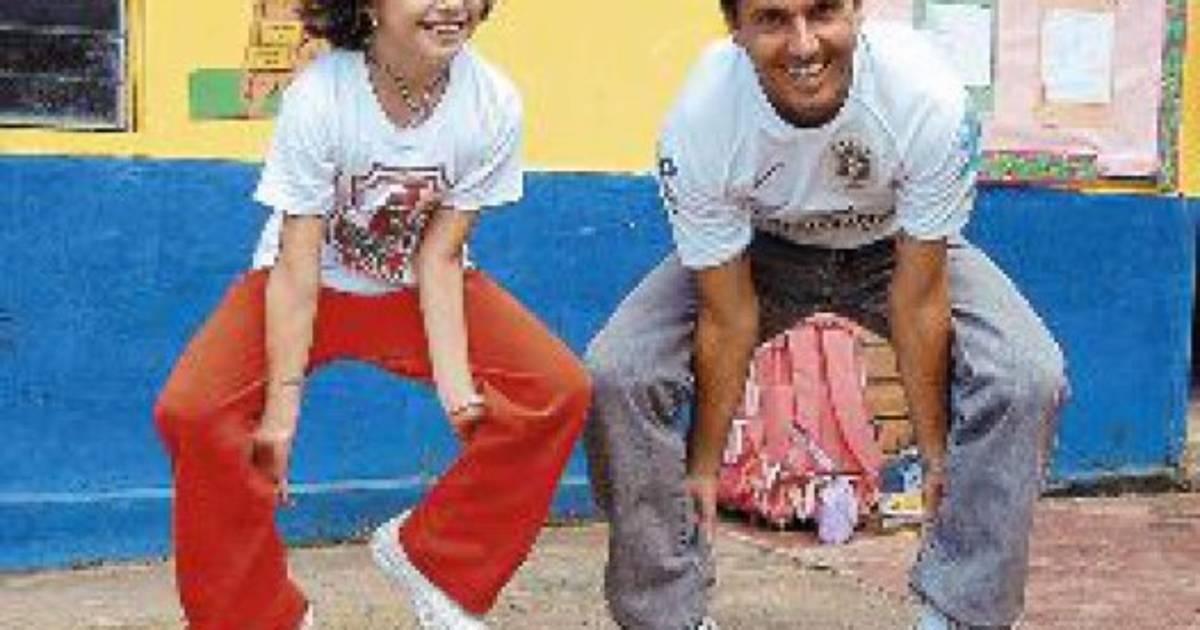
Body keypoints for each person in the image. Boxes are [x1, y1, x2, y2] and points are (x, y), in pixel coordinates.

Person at [583, 1, 1068, 628]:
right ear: (735, 28)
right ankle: (665, 613)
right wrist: (702, 466)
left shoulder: (926, 97)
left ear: (859, 10)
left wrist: (935, 455)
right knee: (619, 371)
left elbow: (918, 298)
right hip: (761, 251)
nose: (804, 45)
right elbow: (728, 317)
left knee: (1026, 374)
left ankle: (962, 613)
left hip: (893, 250)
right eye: (773, 19)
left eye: (823, 12)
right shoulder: (702, 120)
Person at [153, 1, 592, 628]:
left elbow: (440, 255)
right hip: (305, 283)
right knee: (194, 411)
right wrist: (281, 411)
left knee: (556, 389)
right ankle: (255, 616)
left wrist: (457, 392)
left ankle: (438, 561)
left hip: (415, 289)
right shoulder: (321, 96)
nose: (452, 5)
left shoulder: (493, 103)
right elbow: (297, 262)